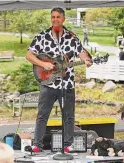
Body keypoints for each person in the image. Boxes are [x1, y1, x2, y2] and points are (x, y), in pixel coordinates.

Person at [26, 7, 92, 153]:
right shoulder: (42, 36)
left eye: (58, 17)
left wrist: (86, 60)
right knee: (42, 115)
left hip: (66, 84)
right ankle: (37, 144)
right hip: (47, 82)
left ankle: (67, 145)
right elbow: (29, 55)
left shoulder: (72, 37)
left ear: (63, 19)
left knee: (68, 117)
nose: (55, 19)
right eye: (53, 17)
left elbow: (82, 53)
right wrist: (43, 64)